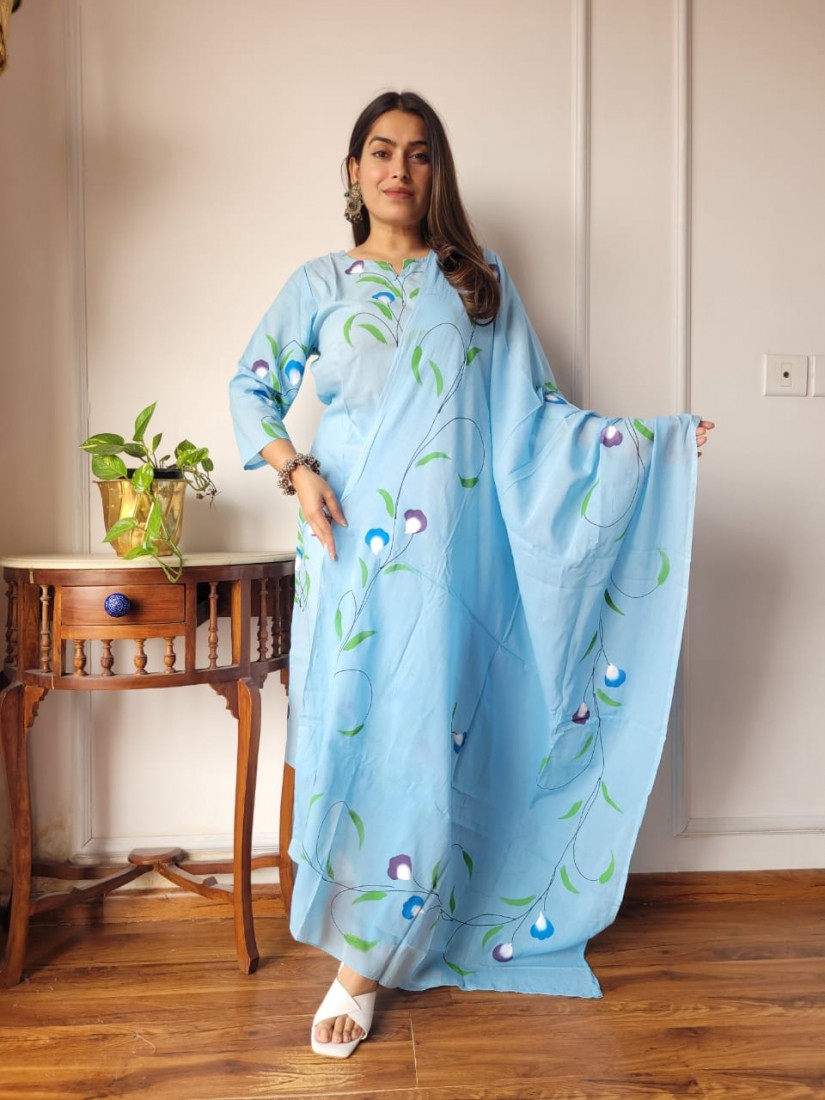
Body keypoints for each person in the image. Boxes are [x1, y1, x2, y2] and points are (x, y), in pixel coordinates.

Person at [229, 90, 714, 1059]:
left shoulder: (475, 281)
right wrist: (296, 469)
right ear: (355, 170)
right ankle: (361, 928)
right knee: (352, 732)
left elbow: (536, 415)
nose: (398, 169)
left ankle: (363, 963)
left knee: (418, 739)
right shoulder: (320, 284)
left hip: (449, 563)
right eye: (381, 151)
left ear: (437, 171)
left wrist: (648, 446)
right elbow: (251, 385)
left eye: (418, 153)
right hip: (345, 554)